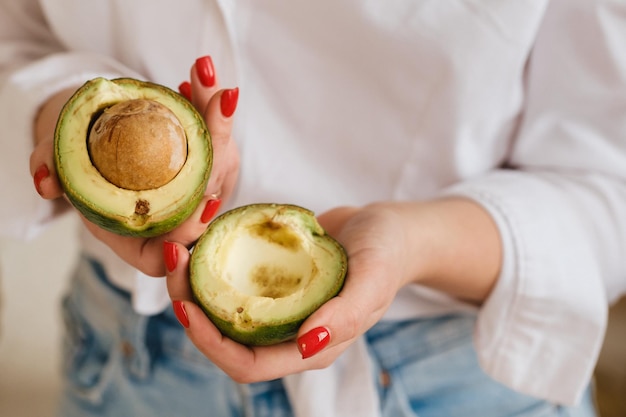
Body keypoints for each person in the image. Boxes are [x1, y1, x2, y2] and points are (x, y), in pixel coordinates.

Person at [1, 0, 625, 416]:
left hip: (457, 378)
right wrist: (61, 119)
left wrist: (413, 243)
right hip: (132, 365)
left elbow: (607, 187)